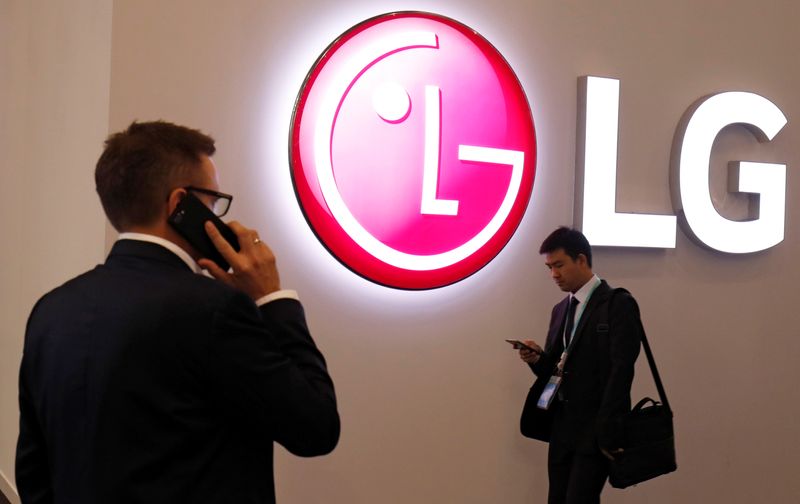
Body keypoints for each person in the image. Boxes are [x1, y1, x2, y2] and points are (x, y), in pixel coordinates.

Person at [15, 121, 340, 504]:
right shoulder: (214, 309)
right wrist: (273, 299)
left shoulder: (52, 310)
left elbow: (33, 473)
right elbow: (315, 427)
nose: (218, 217)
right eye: (214, 203)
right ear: (178, 205)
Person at [518, 227, 642, 504]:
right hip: (562, 425)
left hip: (595, 426)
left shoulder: (617, 304)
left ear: (582, 260)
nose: (554, 274)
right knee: (558, 499)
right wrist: (537, 359)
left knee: (580, 499)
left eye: (559, 265)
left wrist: (607, 428)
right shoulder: (561, 309)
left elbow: (622, 371)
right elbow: (556, 369)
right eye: (549, 267)